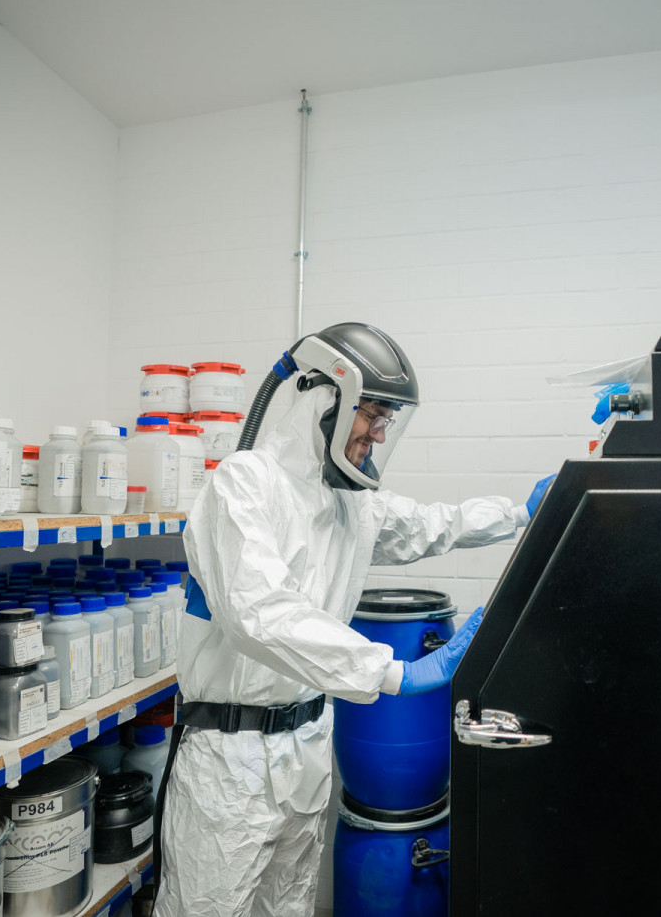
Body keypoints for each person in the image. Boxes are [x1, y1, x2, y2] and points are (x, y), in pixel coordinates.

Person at [155, 322, 556, 917]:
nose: (378, 431)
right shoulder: (242, 484)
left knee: (289, 908)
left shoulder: (349, 503)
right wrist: (394, 673)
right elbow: (259, 612)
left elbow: (432, 524)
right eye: (372, 412)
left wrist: (520, 512)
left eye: (386, 418)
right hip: (230, 765)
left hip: (309, 747)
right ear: (324, 397)